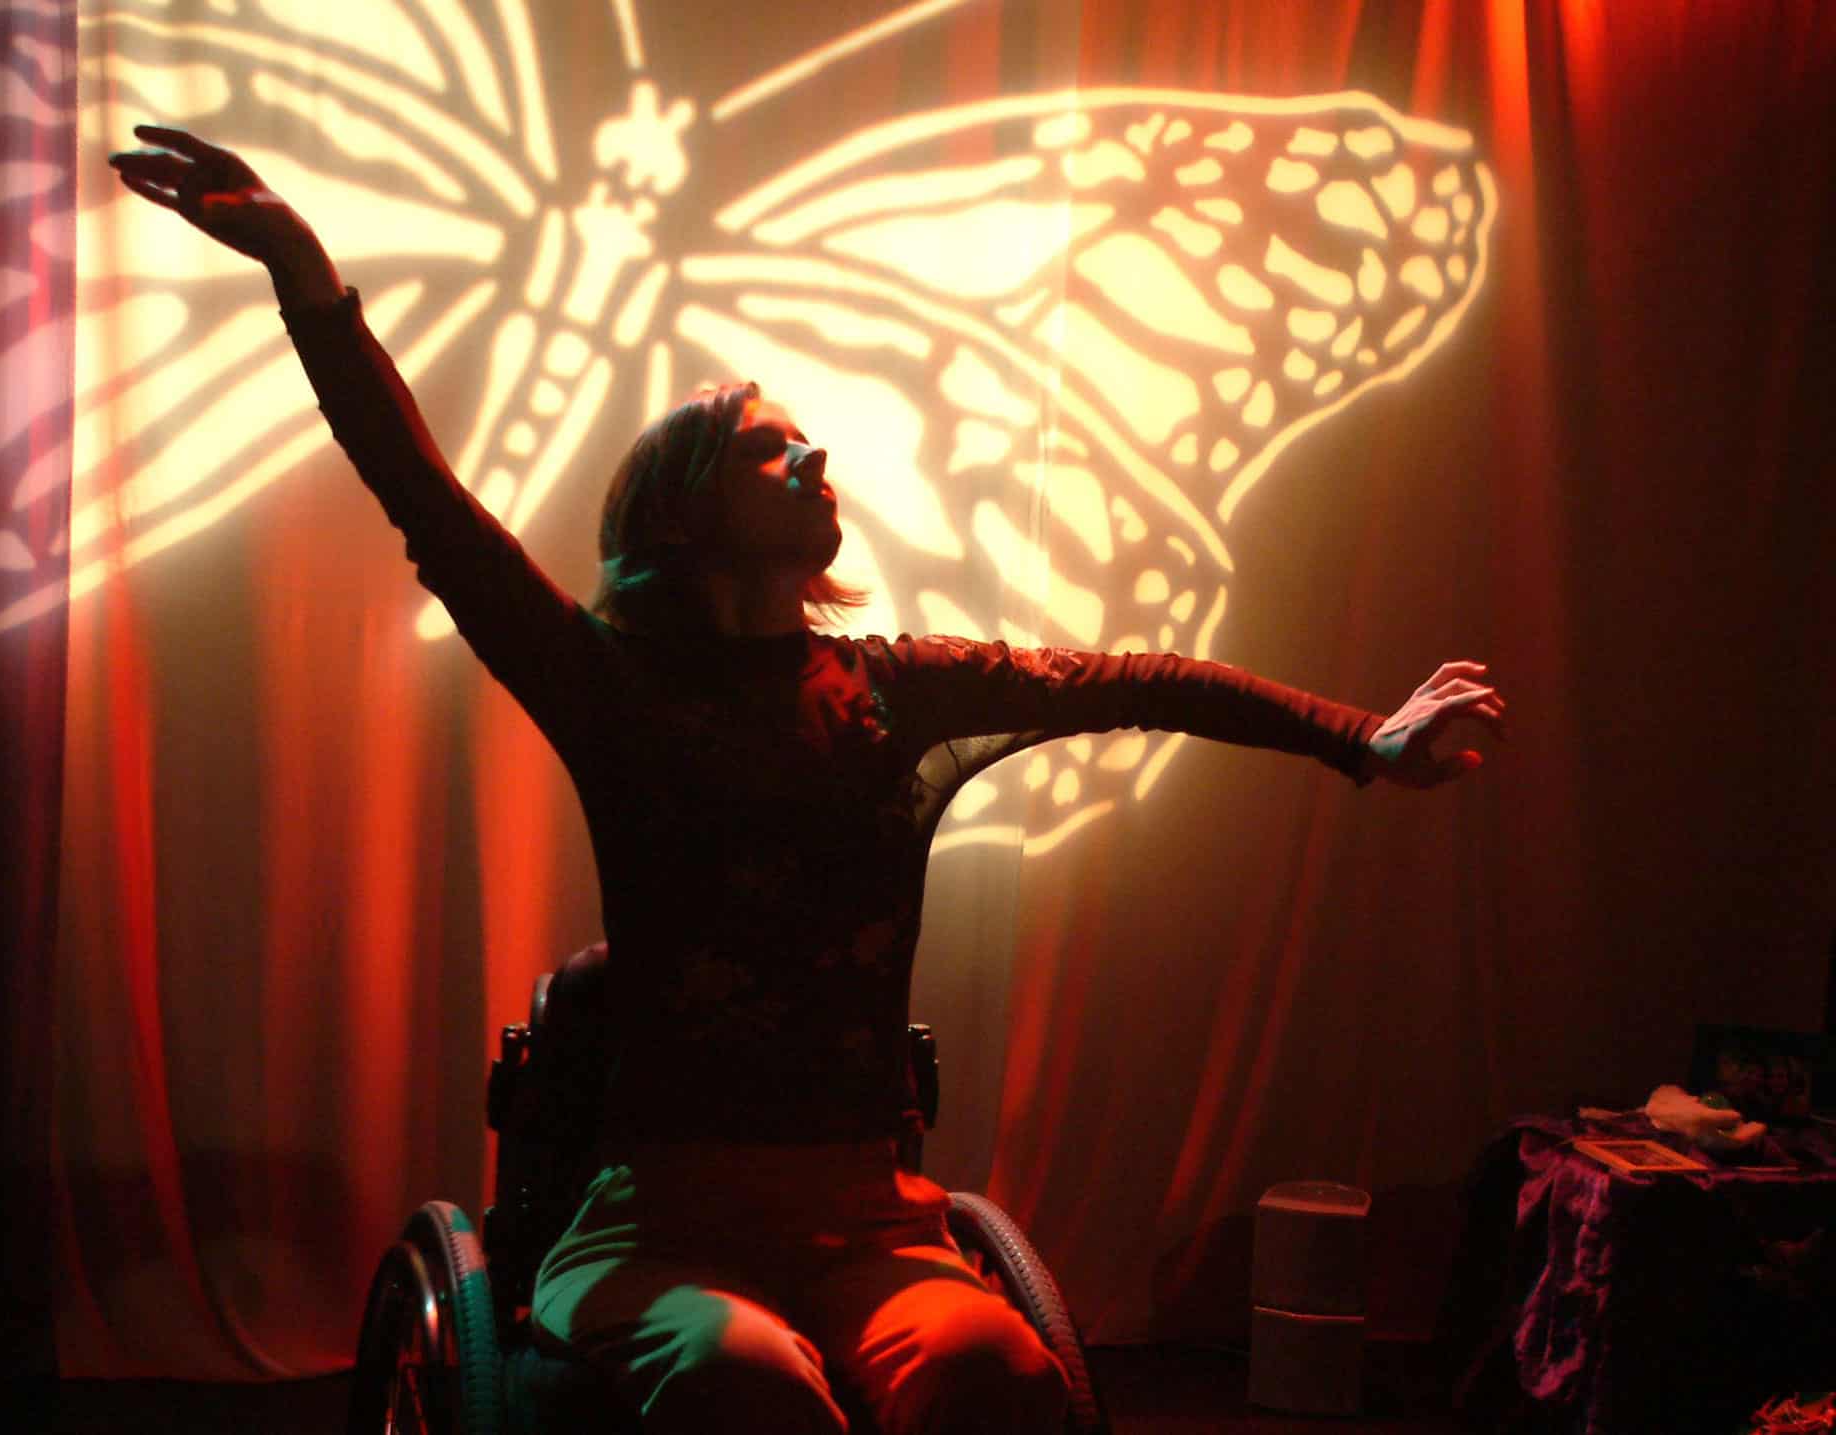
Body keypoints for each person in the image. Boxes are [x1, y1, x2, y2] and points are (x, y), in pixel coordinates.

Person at [111, 126, 1507, 1435]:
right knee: (743, 1380)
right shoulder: (608, 679)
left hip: (873, 1217)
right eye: (776, 446)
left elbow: (1142, 680)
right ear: (683, 507)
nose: (818, 454)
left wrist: (1359, 738)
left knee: (991, 1371)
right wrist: (306, 277)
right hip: (657, 1220)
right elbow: (422, 499)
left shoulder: (895, 690)